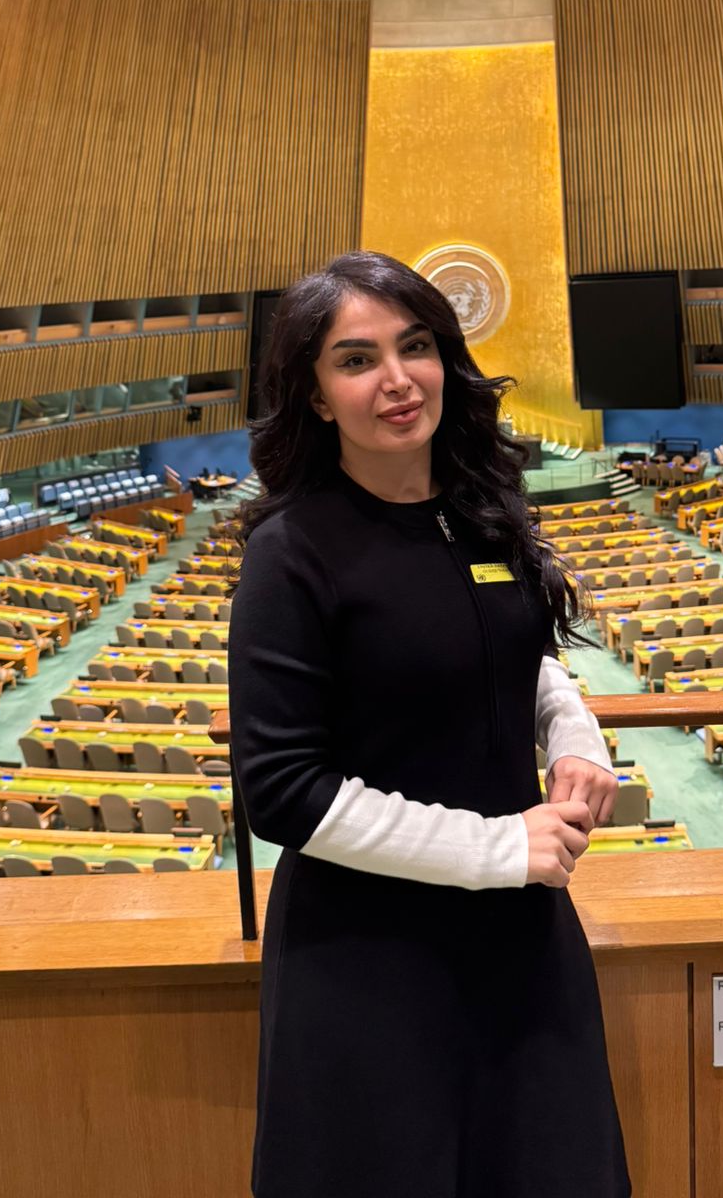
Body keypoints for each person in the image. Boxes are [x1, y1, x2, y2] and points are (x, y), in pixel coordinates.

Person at [228, 249, 631, 1198]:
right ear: (317, 395)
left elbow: (512, 653)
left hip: (518, 938)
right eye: (356, 359)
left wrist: (573, 735)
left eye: (415, 347)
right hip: (370, 961)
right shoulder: (291, 554)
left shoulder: (482, 511)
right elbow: (282, 792)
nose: (398, 379)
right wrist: (498, 846)